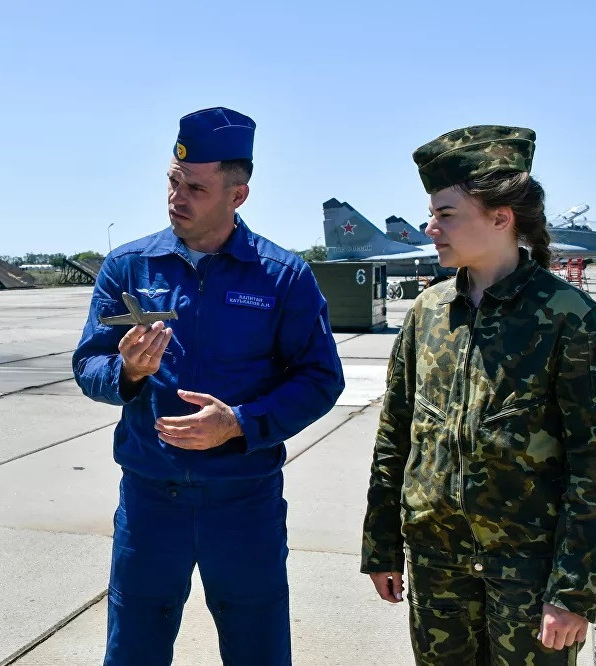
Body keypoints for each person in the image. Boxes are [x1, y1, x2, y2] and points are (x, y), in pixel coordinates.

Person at [73, 107, 345, 665]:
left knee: (257, 648)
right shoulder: (129, 266)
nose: (177, 197)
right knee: (134, 651)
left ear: (237, 195)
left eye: (195, 187)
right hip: (151, 501)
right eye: (173, 182)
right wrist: (126, 373)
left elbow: (321, 378)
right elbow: (87, 367)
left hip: (244, 502)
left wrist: (240, 424)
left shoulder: (282, 275)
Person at [361, 125, 596, 664]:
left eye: (446, 214)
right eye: (431, 214)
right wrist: (382, 546)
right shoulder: (428, 315)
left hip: (529, 579)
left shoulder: (571, 321)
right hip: (438, 570)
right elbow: (396, 435)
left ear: (501, 218)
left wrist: (574, 593)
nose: (431, 227)